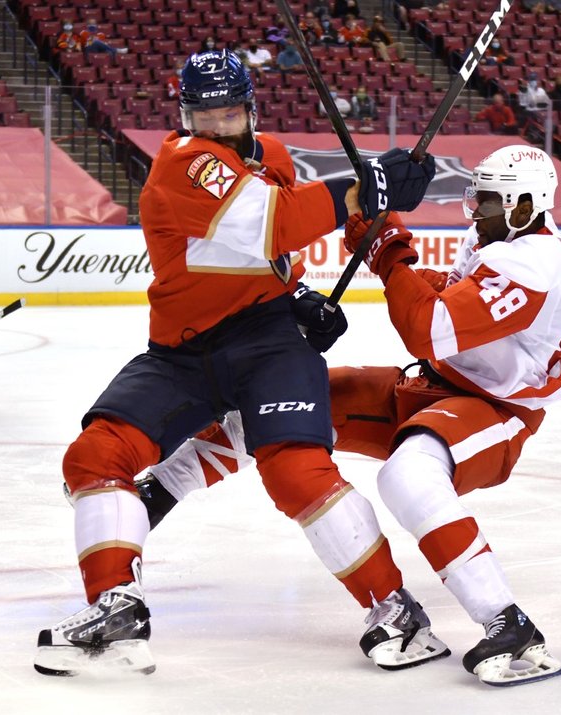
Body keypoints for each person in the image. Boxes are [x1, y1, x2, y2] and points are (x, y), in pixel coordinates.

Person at [33, 49, 440, 679]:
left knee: (296, 470)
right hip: (185, 350)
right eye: (204, 113)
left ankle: (395, 610)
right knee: (94, 455)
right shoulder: (182, 165)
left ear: (250, 107)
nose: (218, 125)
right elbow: (271, 221)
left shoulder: (271, 155)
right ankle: (116, 605)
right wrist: (367, 189)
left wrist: (300, 297)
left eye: (229, 112)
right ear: (185, 114)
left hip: (270, 342)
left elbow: (272, 256)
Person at [137, 145, 561, 688]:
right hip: (437, 387)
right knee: (287, 408)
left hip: (494, 408)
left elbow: (431, 327)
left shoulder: (534, 264)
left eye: (488, 201)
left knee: (409, 475)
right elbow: (445, 294)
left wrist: (388, 254)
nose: (475, 210)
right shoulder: (494, 238)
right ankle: (159, 491)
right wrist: (381, 243)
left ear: (524, 206)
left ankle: (509, 626)